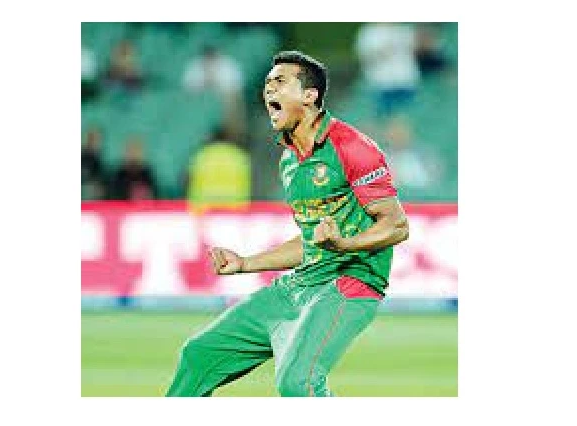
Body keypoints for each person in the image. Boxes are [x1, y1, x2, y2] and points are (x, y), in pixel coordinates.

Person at [166, 51, 409, 397]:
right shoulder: (289, 161)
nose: (268, 90)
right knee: (199, 354)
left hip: (349, 284)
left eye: (279, 82)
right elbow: (311, 243)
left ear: (309, 96)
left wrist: (345, 245)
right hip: (300, 284)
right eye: (267, 84)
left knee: (298, 382)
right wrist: (246, 264)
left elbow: (397, 226)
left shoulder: (352, 147)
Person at [355, 23, 420, 118]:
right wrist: (383, 52)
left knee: (403, 117)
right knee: (386, 118)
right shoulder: (369, 32)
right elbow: (365, 57)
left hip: (406, 82)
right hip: (382, 84)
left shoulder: (403, 29)